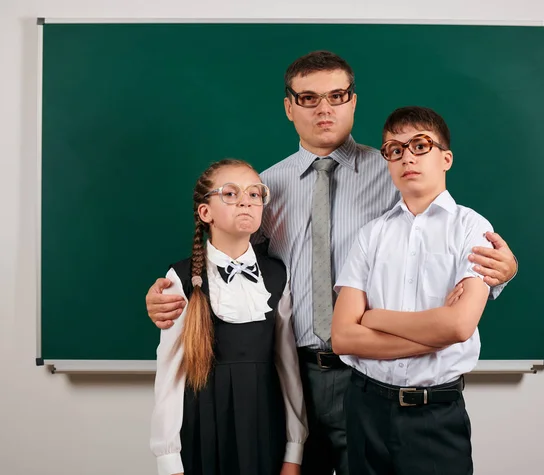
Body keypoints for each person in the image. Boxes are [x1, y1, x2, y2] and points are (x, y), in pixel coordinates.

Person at [145, 52, 518, 475]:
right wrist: (170, 294)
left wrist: (503, 272)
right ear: (289, 107)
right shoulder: (266, 188)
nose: (324, 109)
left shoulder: (396, 167)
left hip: (371, 372)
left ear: (353, 102)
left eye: (337, 96)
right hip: (289, 373)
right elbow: (233, 262)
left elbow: (442, 236)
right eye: (308, 98)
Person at [331, 106, 498, 475]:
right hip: (365, 407)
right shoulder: (370, 235)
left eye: (420, 145)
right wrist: (433, 334)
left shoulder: (473, 229)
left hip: (435, 414)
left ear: (446, 158)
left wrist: (374, 318)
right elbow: (342, 337)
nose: (407, 156)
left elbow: (458, 327)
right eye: (394, 149)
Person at [149, 159, 307, 475]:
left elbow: (288, 367)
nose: (246, 200)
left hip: (265, 419)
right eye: (231, 194)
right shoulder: (180, 277)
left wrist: (294, 448)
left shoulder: (278, 276)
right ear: (205, 213)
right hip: (203, 421)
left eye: (254, 194)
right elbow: (169, 376)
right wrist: (169, 459)